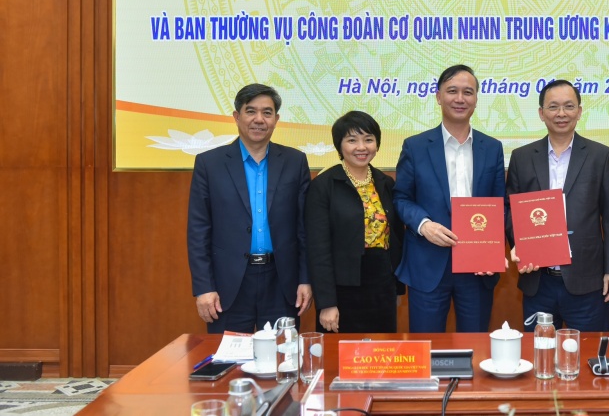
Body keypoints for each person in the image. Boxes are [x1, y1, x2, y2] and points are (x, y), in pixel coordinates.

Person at [187, 83, 312, 333]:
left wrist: (305, 279)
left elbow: (304, 228)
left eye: (267, 113)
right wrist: (204, 287)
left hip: (282, 283)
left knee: (282, 355)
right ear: (237, 116)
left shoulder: (295, 161)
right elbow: (198, 231)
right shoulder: (209, 164)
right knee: (229, 355)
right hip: (228, 285)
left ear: (276, 120)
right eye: (251, 111)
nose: (259, 119)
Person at [393, 65, 506, 333]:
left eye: (468, 92)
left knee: (476, 345)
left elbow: (499, 205)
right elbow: (401, 198)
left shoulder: (492, 147)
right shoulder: (415, 146)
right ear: (438, 96)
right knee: (427, 346)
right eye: (452, 91)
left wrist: (493, 252)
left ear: (476, 99)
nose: (460, 98)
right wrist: (424, 225)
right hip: (428, 262)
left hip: (478, 266)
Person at [506, 79, 609, 332]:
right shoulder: (521, 157)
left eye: (569, 106)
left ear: (579, 112)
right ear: (541, 113)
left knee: (589, 351)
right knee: (540, 350)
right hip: (538, 281)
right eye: (553, 107)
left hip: (587, 282)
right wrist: (521, 245)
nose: (561, 113)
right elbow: (511, 211)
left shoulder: (600, 155)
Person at [305, 111, 404, 334]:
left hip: (382, 286)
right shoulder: (324, 185)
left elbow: (396, 236)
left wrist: (397, 288)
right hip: (342, 289)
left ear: (377, 144)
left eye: (368, 139)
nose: (361, 147)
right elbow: (318, 248)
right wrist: (327, 303)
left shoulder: (385, 183)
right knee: (341, 352)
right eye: (352, 140)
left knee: (381, 351)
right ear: (339, 145)